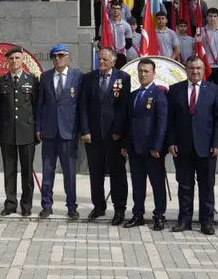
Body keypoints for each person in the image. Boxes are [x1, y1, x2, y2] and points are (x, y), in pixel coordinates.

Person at [167, 55, 218, 235]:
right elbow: (170, 119)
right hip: (182, 147)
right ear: (186, 69)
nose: (195, 71)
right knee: (185, 186)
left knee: (207, 186)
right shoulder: (175, 89)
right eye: (192, 68)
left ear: (203, 69)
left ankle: (206, 222)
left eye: (198, 68)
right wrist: (171, 142)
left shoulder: (214, 90)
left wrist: (217, 143)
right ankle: (184, 220)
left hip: (207, 147)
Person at [79, 45, 130, 224]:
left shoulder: (123, 78)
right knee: (96, 173)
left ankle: (119, 209)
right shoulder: (89, 78)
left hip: (114, 137)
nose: (101, 61)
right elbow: (83, 106)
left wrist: (119, 132)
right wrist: (84, 130)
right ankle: (99, 206)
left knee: (117, 174)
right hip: (93, 136)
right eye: (99, 58)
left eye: (105, 59)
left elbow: (124, 108)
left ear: (113, 62)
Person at [38, 44, 83, 219]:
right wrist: (38, 128)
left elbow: (81, 106)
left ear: (68, 57)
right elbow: (40, 105)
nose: (58, 58)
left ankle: (71, 206)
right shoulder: (46, 77)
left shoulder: (77, 76)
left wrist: (81, 129)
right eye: (55, 56)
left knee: (69, 173)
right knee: (47, 172)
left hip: (69, 131)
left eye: (61, 55)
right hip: (49, 131)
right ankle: (46, 205)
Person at [125, 58, 169, 230]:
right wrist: (125, 145)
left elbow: (162, 122)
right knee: (137, 184)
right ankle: (138, 215)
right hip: (135, 148)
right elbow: (129, 122)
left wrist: (158, 146)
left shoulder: (159, 94)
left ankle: (159, 216)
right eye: (140, 71)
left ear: (153, 73)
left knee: (157, 184)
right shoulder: (134, 95)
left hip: (152, 150)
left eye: (146, 71)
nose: (143, 74)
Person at [0, 46, 40, 216]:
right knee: (9, 171)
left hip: (27, 132)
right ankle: (10, 204)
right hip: (8, 132)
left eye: (17, 58)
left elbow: (37, 107)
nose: (14, 61)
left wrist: (37, 130)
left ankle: (26, 205)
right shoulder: (1, 81)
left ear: (23, 60)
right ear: (7, 61)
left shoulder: (33, 81)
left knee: (27, 171)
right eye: (11, 59)